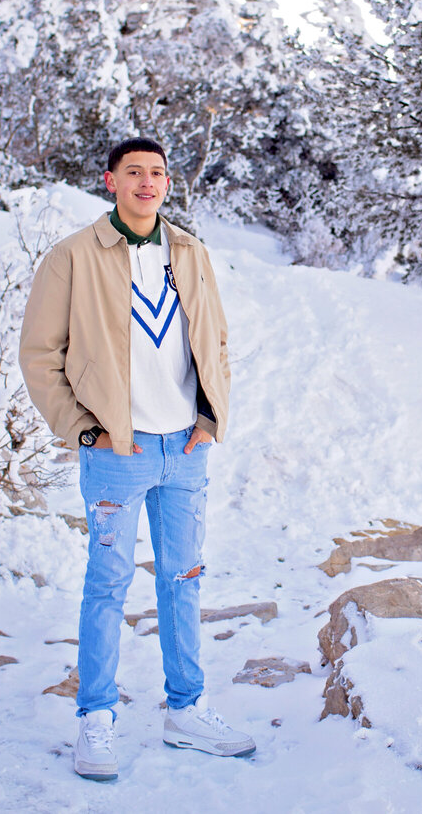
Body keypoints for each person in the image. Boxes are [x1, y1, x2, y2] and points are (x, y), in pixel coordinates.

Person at [19, 137, 253, 781]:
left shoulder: (190, 252)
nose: (146, 183)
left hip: (185, 449)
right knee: (107, 585)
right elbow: (40, 355)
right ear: (111, 181)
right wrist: (80, 429)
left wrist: (212, 418)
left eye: (156, 174)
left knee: (183, 580)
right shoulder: (71, 258)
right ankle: (96, 718)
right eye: (134, 173)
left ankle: (187, 709)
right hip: (117, 451)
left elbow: (218, 341)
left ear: (168, 183)